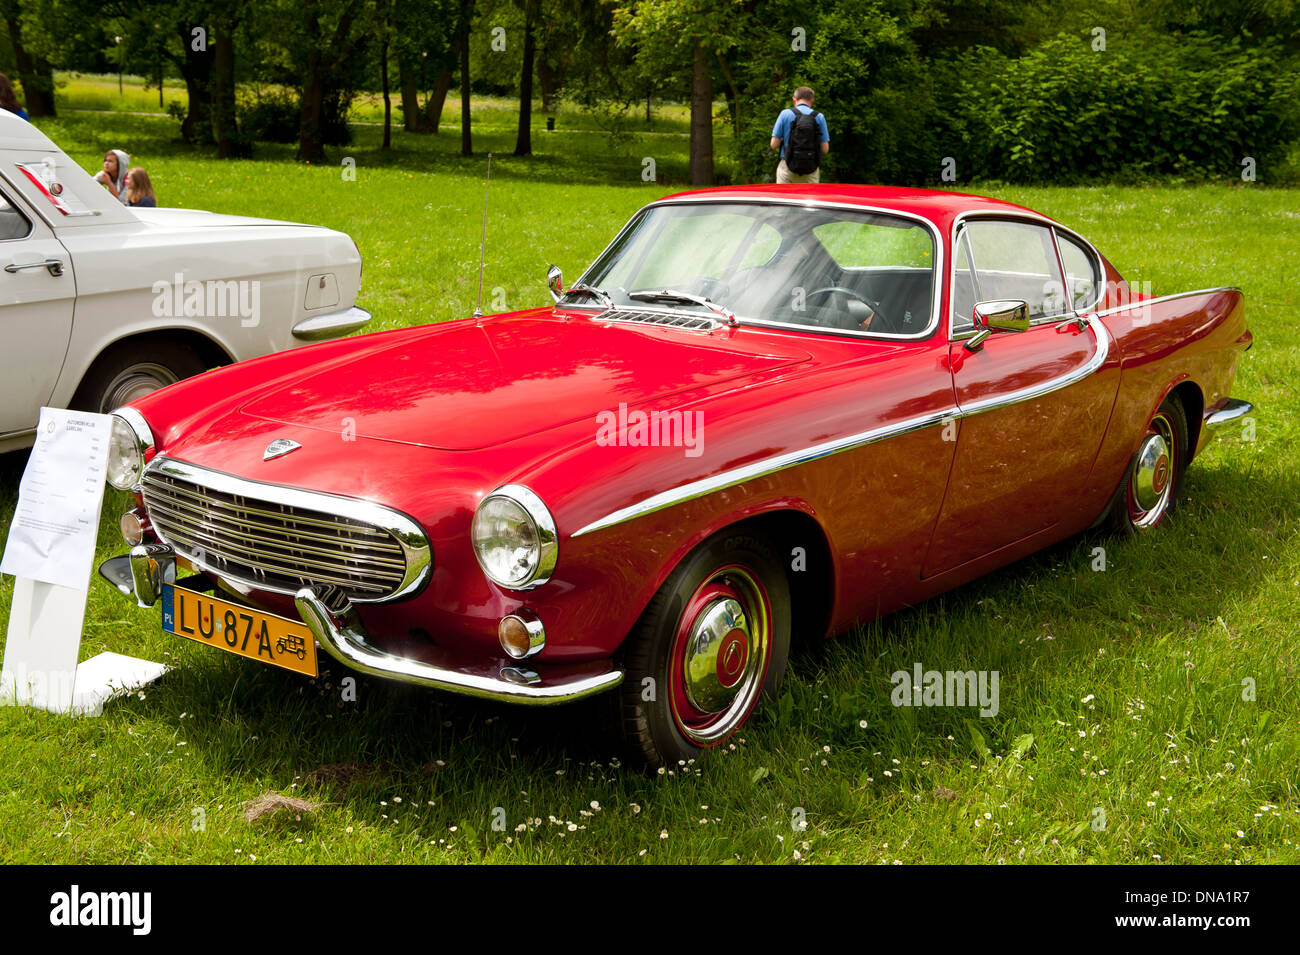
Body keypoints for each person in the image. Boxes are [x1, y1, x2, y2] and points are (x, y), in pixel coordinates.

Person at [770, 86, 829, 184]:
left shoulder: (785, 114)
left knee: (784, 198)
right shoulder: (819, 117)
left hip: (787, 167)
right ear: (812, 100)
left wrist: (782, 138)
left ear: (794, 99)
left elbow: (773, 145)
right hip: (811, 168)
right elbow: (825, 149)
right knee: (809, 199)